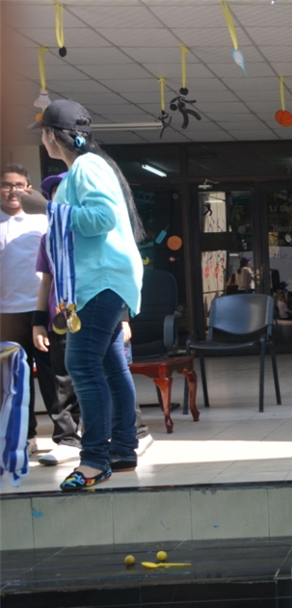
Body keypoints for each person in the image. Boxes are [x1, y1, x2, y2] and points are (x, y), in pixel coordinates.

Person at [18, 100, 144, 491]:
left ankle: (93, 461)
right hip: (105, 281)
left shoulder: (87, 167)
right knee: (110, 366)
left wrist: (47, 207)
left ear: (52, 136)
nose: (42, 140)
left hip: (100, 282)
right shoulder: (89, 167)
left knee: (82, 365)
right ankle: (122, 450)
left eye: (43, 133)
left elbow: (101, 219)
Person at [31, 173, 154, 467]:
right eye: (53, 194)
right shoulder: (50, 238)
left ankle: (110, 446)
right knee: (67, 376)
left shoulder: (99, 232)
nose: (58, 198)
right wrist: (39, 320)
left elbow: (113, 272)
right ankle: (72, 440)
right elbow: (46, 281)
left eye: (65, 193)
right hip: (64, 313)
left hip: (96, 308)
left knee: (100, 370)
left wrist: (122, 317)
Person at [0, 164, 49, 457]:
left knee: (54, 378)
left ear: (28, 188)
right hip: (6, 314)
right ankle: (25, 436)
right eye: (6, 185)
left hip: (41, 310)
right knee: (14, 381)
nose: (13, 191)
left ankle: (66, 436)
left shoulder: (42, 220)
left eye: (19, 185)